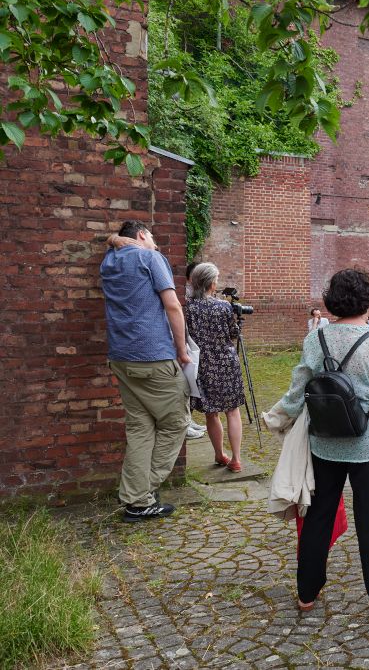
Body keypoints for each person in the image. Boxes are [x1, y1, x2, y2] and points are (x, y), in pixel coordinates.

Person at [273, 268, 369, 618]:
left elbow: (297, 393)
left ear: (332, 299)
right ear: (368, 300)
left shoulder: (316, 340)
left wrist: (278, 417)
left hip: (324, 443)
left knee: (318, 516)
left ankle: (306, 592)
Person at [101, 221, 189, 522]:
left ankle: (136, 499)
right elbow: (173, 307)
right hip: (153, 356)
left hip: (121, 357)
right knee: (177, 422)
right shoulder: (150, 258)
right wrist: (182, 350)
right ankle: (140, 494)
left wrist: (115, 239)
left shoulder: (109, 260)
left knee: (140, 428)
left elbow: (112, 241)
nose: (155, 242)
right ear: (141, 235)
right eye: (151, 236)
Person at [185, 263, 245, 473]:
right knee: (232, 411)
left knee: (212, 413)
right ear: (211, 283)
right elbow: (233, 334)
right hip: (226, 362)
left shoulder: (188, 307)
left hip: (203, 363)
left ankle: (219, 454)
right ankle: (236, 459)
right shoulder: (223, 307)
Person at [183, 263, 207, 440]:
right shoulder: (186, 296)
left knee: (192, 385)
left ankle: (188, 420)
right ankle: (185, 423)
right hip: (189, 346)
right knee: (187, 384)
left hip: (195, 346)